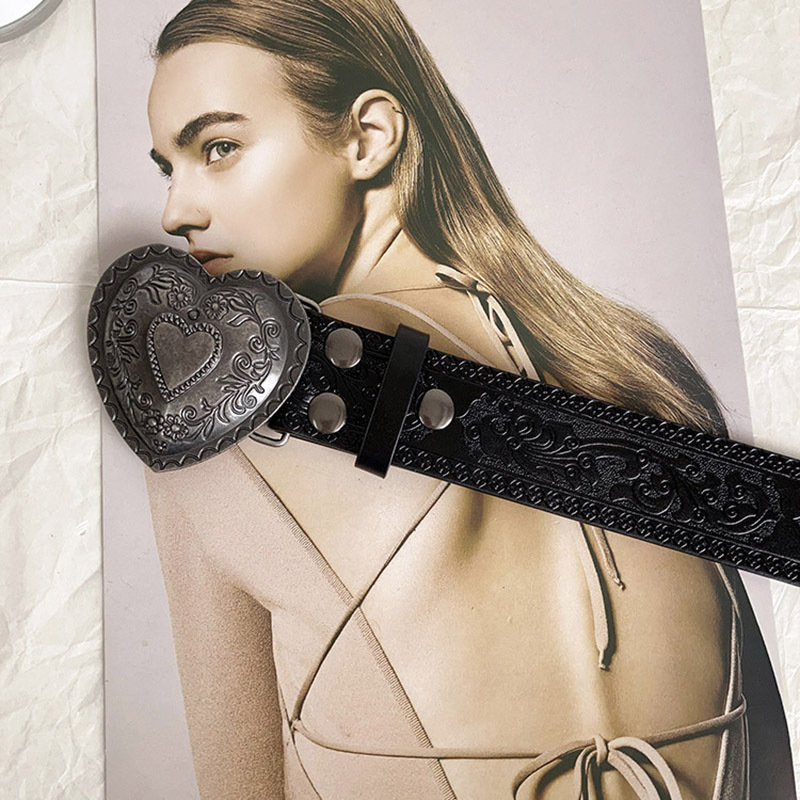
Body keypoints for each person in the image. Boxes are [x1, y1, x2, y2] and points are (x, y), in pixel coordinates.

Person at [143, 1, 794, 797]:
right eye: (168, 168)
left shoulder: (227, 418)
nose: (176, 212)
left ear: (369, 137)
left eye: (219, 148)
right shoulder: (640, 366)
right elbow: (773, 770)